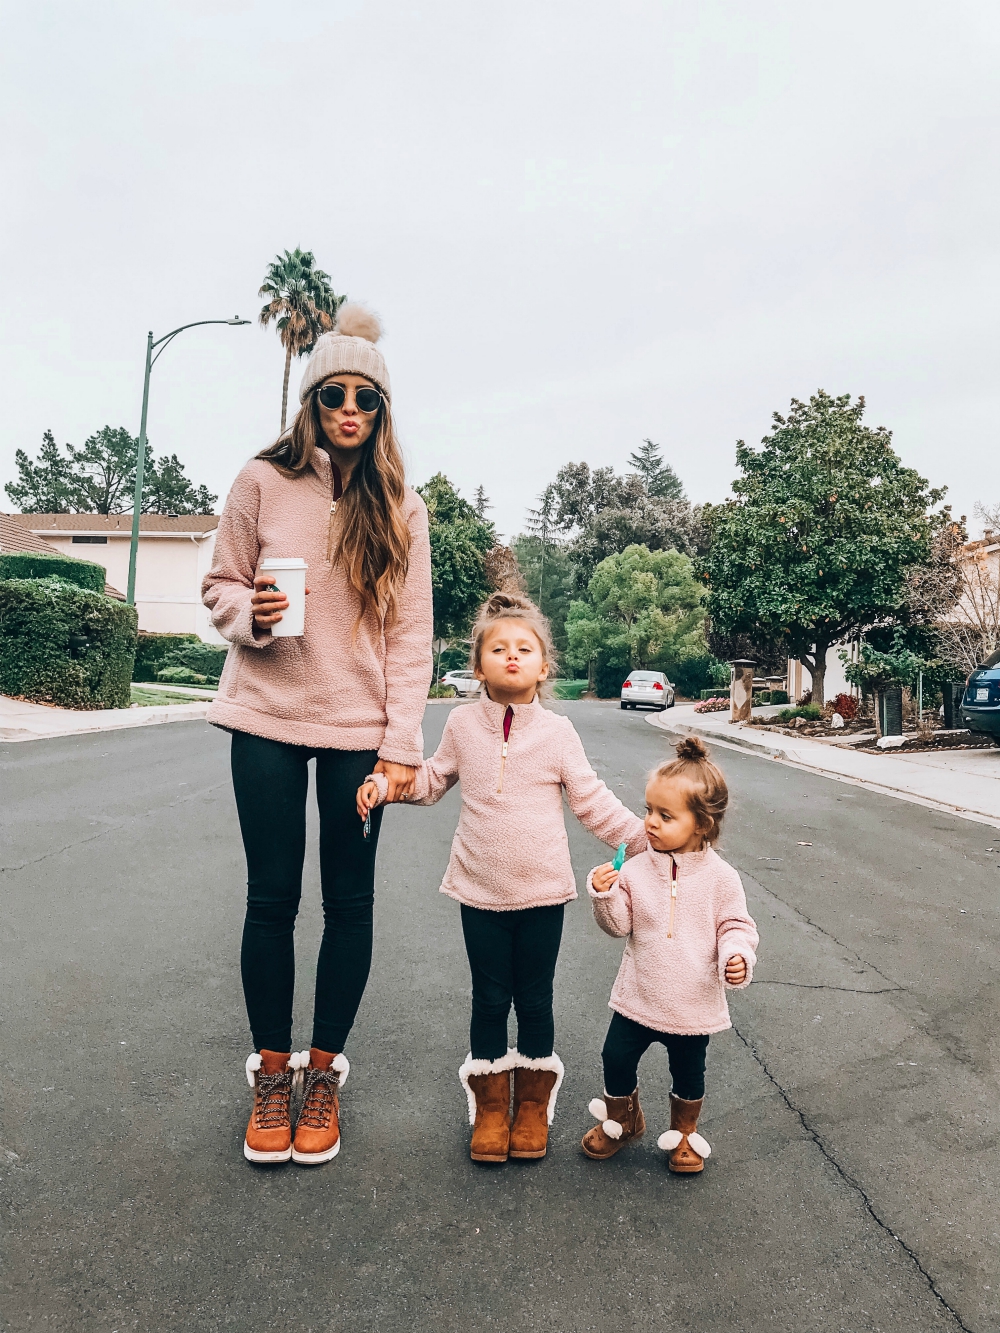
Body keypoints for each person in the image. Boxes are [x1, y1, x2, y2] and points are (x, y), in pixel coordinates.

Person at [202, 303, 433, 1167]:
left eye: (365, 398)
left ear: (380, 411)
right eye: (333, 393)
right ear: (310, 401)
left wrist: (401, 742)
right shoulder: (260, 480)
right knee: (271, 898)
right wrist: (248, 614)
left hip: (356, 728)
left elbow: (412, 636)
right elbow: (219, 584)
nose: (348, 409)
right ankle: (270, 1074)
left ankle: (325, 1071)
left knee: (350, 901)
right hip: (264, 710)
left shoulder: (403, 505)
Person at [357, 592, 646, 1164]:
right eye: (497, 648)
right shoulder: (463, 724)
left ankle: (532, 1108)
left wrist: (649, 839)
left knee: (535, 1000)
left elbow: (593, 803)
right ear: (479, 663)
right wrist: (389, 785)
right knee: (489, 999)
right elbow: (434, 778)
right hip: (478, 890)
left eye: (524, 648)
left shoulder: (558, 733)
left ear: (543, 666)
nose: (511, 656)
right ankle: (490, 1109)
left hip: (543, 893)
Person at [581, 736, 758, 1174]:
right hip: (639, 995)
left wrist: (736, 955)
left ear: (701, 824)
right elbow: (618, 926)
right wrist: (606, 895)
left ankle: (683, 1136)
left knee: (689, 1072)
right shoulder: (637, 869)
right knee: (615, 1057)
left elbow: (737, 927)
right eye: (648, 810)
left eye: (665, 815)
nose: (650, 823)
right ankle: (622, 1119)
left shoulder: (721, 879)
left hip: (692, 1004)